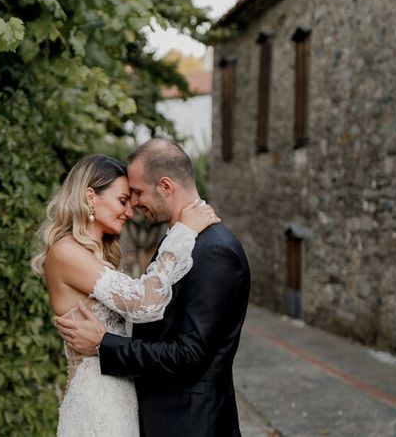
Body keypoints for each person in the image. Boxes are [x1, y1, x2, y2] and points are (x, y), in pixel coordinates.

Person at [55, 140, 251, 436]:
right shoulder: (176, 243)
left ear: (165, 186)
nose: (133, 204)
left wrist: (103, 344)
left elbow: (190, 355)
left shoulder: (214, 250)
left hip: (190, 424)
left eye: (136, 193)